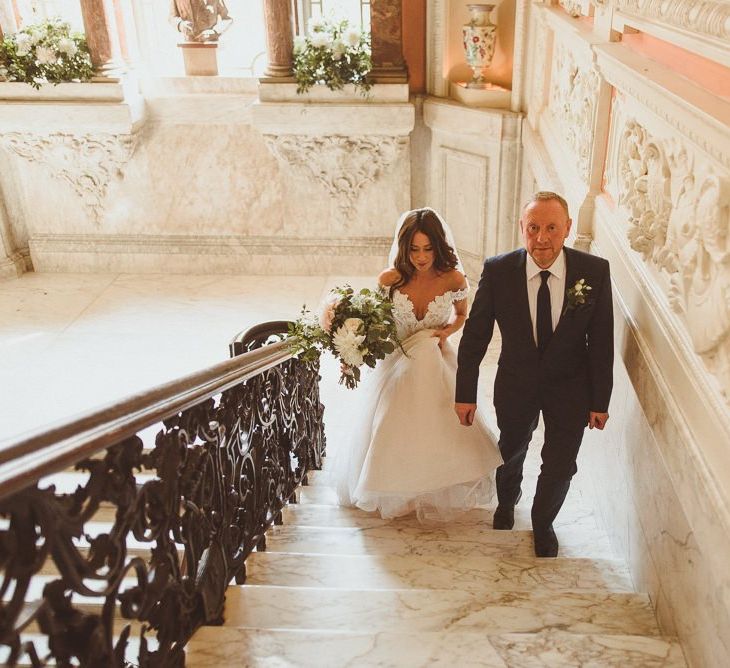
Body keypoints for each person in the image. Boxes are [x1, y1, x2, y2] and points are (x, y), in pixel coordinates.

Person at [455, 191, 613, 557]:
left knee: (560, 463)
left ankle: (544, 523)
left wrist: (599, 401)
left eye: (552, 228)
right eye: (534, 228)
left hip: (570, 388)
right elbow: (476, 335)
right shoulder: (499, 271)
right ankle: (507, 501)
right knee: (511, 449)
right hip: (515, 384)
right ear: (522, 228)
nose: (542, 238)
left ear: (568, 229)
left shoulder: (593, 272)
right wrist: (465, 393)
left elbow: (602, 342)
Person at [335, 208, 502, 521]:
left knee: (434, 396)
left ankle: (433, 483)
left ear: (438, 247)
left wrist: (445, 333)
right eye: (414, 249)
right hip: (397, 356)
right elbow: (375, 321)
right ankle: (393, 484)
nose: (421, 257)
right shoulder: (390, 280)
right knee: (394, 418)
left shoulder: (453, 278)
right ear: (403, 247)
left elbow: (461, 314)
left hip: (434, 354)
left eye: (427, 249)